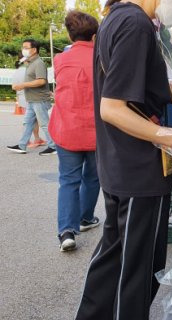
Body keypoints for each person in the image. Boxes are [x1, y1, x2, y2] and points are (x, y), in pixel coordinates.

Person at [75, 0, 172, 319]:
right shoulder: (135, 25)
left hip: (120, 164)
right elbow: (111, 108)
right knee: (137, 273)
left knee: (112, 260)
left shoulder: (115, 19)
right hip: (140, 171)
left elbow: (125, 91)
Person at [49, 10, 101, 252]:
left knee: (68, 181)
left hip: (66, 129)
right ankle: (86, 217)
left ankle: (66, 232)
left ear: (70, 36)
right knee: (93, 177)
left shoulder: (60, 60)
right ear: (95, 35)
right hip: (96, 131)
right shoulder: (103, 58)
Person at [7, 39, 57, 155]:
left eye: (26, 47)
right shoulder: (30, 63)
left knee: (44, 124)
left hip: (39, 100)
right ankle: (21, 145)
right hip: (32, 100)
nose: (23, 50)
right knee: (28, 123)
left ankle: (53, 146)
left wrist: (22, 85)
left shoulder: (39, 63)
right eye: (22, 47)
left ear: (34, 50)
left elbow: (41, 81)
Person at [13, 54, 45, 148]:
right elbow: (38, 83)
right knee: (32, 121)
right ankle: (29, 140)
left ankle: (36, 139)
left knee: (31, 120)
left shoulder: (17, 71)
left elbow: (15, 86)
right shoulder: (28, 69)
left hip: (22, 98)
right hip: (31, 97)